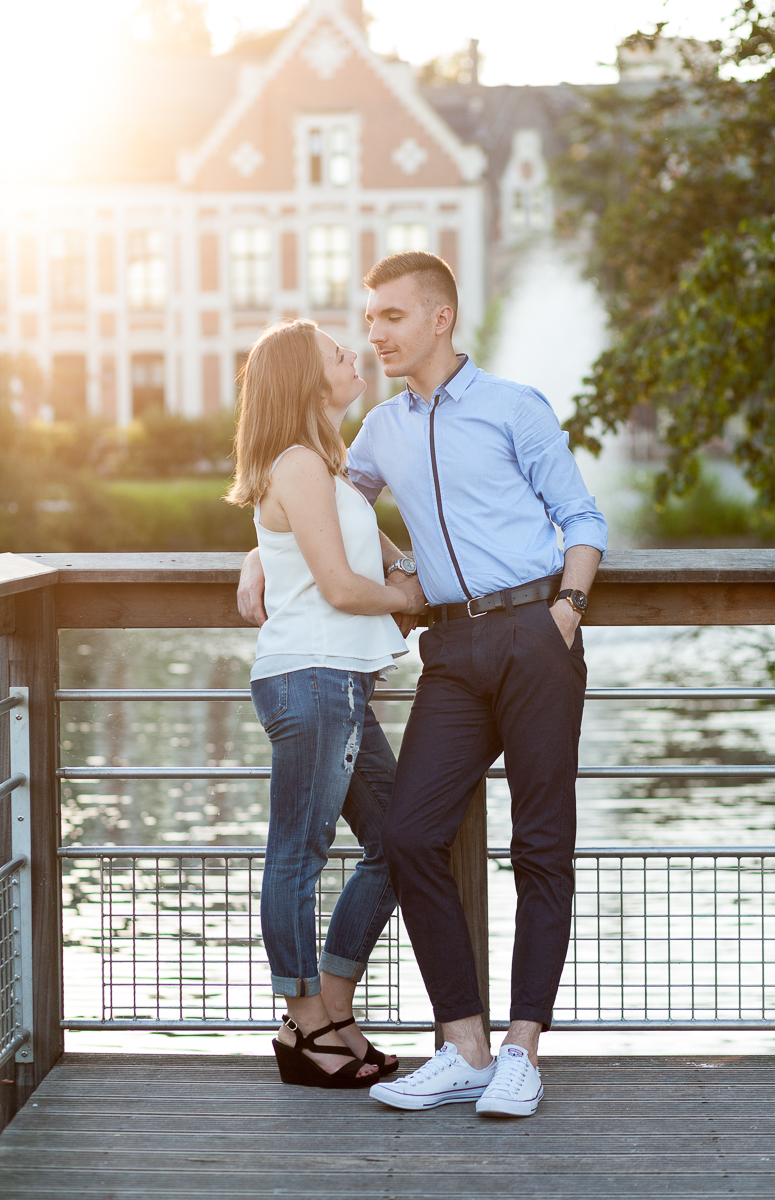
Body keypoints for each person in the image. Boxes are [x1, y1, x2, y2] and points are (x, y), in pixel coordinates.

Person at [237, 252, 608, 1117]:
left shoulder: (514, 406)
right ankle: (465, 1045)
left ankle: (521, 1050)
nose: (375, 335)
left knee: (540, 847)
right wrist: (259, 546)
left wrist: (568, 609)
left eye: (391, 318)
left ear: (439, 318)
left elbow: (583, 520)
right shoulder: (378, 430)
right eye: (367, 321)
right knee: (408, 836)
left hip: (534, 633)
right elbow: (320, 503)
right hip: (449, 651)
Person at [227, 318, 426, 1089]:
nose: (356, 357)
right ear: (311, 383)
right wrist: (414, 600)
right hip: (311, 678)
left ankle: (329, 1011)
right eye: (339, 354)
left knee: (401, 842)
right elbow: (343, 590)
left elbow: (362, 556)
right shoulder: (300, 466)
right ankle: (304, 1023)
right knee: (298, 855)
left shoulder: (327, 468)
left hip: (336, 679)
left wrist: (408, 578)